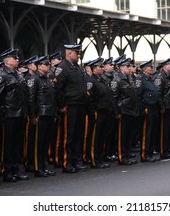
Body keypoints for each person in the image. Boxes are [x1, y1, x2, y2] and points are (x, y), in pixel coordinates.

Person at [0, 48, 29, 182]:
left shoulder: (17, 74)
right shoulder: (1, 75)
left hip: (19, 114)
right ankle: (6, 171)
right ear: (7, 61)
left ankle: (15, 169)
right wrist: (2, 114)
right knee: (7, 145)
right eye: (15, 58)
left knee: (16, 144)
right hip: (8, 114)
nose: (17, 60)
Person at [54, 44, 87, 173]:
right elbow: (58, 89)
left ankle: (76, 160)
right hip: (70, 106)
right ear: (69, 53)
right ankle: (67, 162)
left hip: (80, 104)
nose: (79, 55)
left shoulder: (77, 67)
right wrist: (62, 105)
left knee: (78, 135)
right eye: (76, 53)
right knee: (69, 136)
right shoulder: (62, 67)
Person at [27, 56, 56, 177]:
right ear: (39, 66)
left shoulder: (48, 79)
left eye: (49, 64)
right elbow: (31, 99)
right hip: (41, 114)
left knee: (46, 142)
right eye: (46, 64)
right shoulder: (35, 79)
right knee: (38, 143)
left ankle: (44, 166)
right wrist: (33, 116)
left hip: (49, 113)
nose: (49, 66)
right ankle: (38, 168)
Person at [111, 58, 140, 165]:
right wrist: (117, 112)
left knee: (129, 135)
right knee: (122, 136)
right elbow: (114, 98)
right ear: (121, 67)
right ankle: (121, 157)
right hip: (123, 111)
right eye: (127, 66)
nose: (129, 68)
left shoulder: (129, 78)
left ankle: (127, 154)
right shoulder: (117, 79)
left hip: (131, 110)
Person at [88, 58, 114, 169]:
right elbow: (89, 98)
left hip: (105, 112)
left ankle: (100, 158)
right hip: (98, 112)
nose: (102, 68)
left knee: (102, 136)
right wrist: (93, 111)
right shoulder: (91, 81)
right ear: (94, 69)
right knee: (96, 137)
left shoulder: (101, 80)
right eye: (100, 67)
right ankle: (94, 160)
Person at [138, 59, 160, 162]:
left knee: (153, 131)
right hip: (147, 108)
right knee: (147, 132)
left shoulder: (150, 79)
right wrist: (143, 108)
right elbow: (138, 95)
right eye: (150, 67)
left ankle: (150, 152)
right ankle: (145, 154)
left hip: (154, 108)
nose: (152, 69)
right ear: (145, 69)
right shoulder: (141, 80)